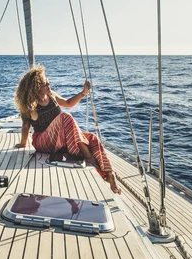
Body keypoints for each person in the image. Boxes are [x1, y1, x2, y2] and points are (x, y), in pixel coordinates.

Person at [14, 65, 121, 194]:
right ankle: (89, 157)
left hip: (59, 139)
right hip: (43, 141)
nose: (48, 84)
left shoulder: (51, 95)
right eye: (44, 83)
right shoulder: (29, 105)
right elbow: (26, 126)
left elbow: (68, 103)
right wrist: (23, 143)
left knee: (92, 137)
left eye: (48, 81)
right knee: (64, 116)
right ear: (36, 87)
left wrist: (83, 93)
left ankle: (109, 173)